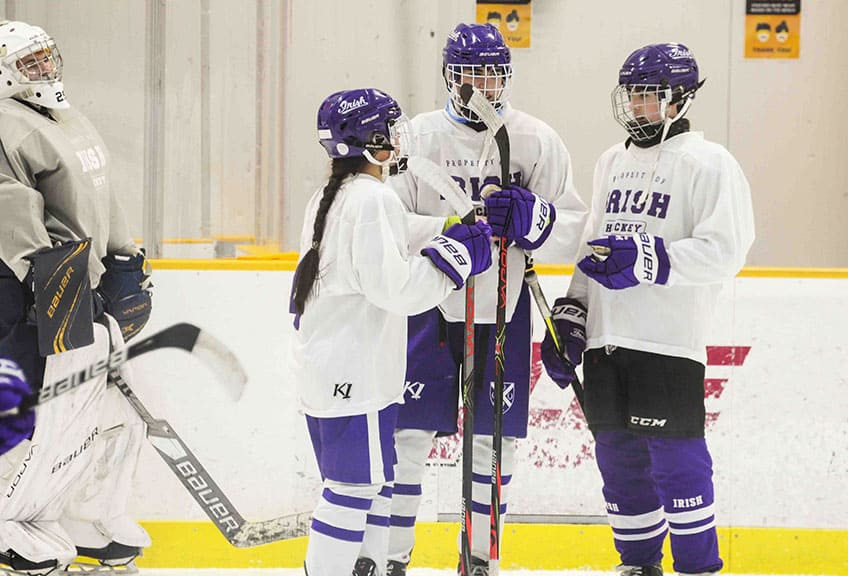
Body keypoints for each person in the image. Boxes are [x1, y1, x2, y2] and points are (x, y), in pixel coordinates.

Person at [541, 43, 755, 576]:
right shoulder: (611, 161)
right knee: (618, 461)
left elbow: (727, 250)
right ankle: (637, 564)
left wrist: (651, 257)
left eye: (650, 97)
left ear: (681, 98)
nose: (638, 107)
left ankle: (697, 567)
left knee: (677, 460)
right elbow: (593, 245)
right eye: (633, 96)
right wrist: (573, 313)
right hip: (608, 341)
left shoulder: (711, 164)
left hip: (667, 340)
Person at [386, 23, 588, 575]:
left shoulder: (535, 139)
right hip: (425, 303)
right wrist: (447, 230)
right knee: (407, 437)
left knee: (492, 445)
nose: (484, 85)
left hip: (504, 306)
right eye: (472, 74)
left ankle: (478, 558)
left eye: (494, 75)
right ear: (450, 77)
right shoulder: (417, 136)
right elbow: (386, 220)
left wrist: (535, 220)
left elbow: (575, 227)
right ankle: (387, 558)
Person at [289, 87, 493, 576]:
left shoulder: (335, 195)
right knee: (351, 490)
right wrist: (458, 259)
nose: (400, 137)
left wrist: (450, 227)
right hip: (354, 374)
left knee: (374, 483)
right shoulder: (372, 198)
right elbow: (397, 290)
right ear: (371, 139)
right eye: (392, 128)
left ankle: (371, 566)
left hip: (341, 371)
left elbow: (399, 229)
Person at [0, 20, 153, 574]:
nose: (44, 70)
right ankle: (7, 520)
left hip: (80, 285)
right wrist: (59, 286)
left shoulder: (67, 117)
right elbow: (17, 221)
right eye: (29, 64)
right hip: (28, 292)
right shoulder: (6, 127)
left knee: (106, 413)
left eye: (46, 57)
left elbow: (101, 193)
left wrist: (126, 262)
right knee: (41, 412)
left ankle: (81, 512)